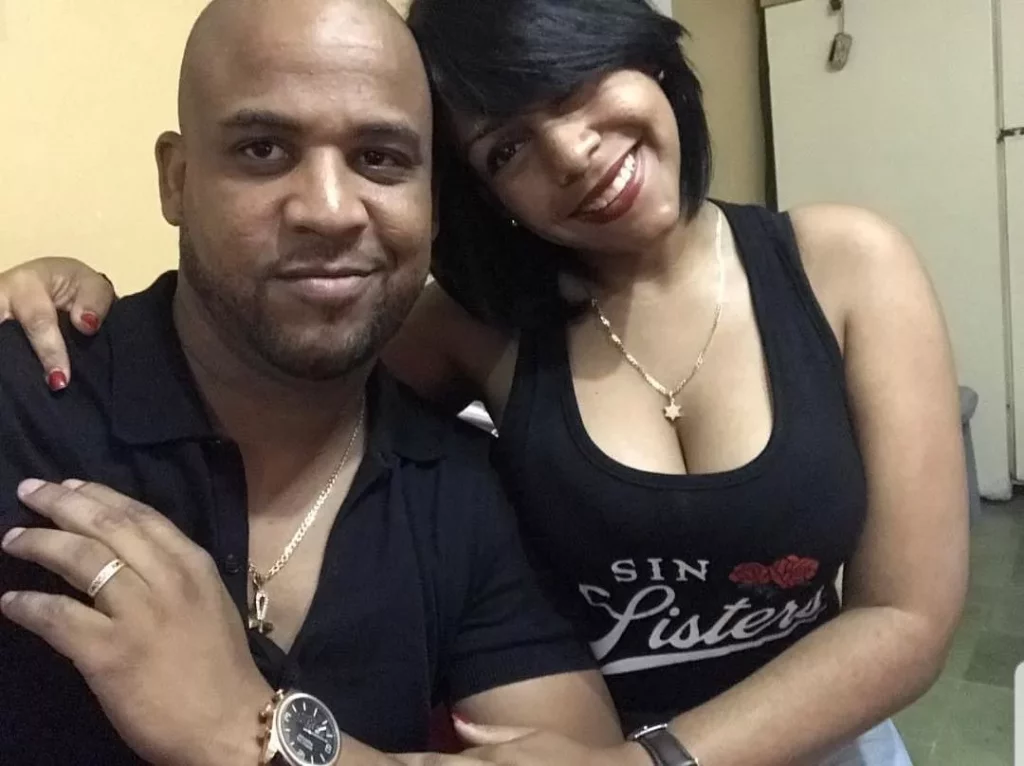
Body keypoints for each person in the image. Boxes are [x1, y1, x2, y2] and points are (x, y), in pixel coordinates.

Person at [1, 0, 969, 763]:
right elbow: (290, 343)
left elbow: (905, 614)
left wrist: (647, 763)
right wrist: (73, 297)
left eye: (579, 83)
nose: (572, 154)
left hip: (805, 740)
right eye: (507, 148)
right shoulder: (477, 328)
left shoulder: (844, 263)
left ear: (647, 57)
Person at [0, 0, 631, 764]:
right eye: (263, 150)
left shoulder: (460, 490)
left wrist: (246, 732)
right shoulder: (24, 405)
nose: (329, 212)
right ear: (177, 180)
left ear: (433, 204)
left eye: (381, 158)